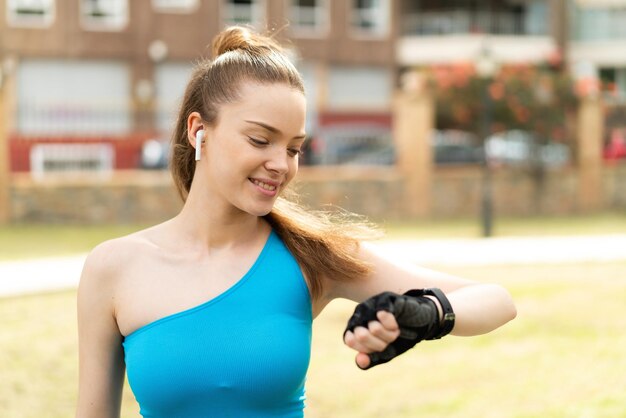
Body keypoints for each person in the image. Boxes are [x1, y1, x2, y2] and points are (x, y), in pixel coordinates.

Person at [75, 26, 517, 418]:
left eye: (293, 148)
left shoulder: (308, 258)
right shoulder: (113, 269)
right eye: (260, 139)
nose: (280, 164)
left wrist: (430, 312)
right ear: (198, 131)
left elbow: (496, 300)